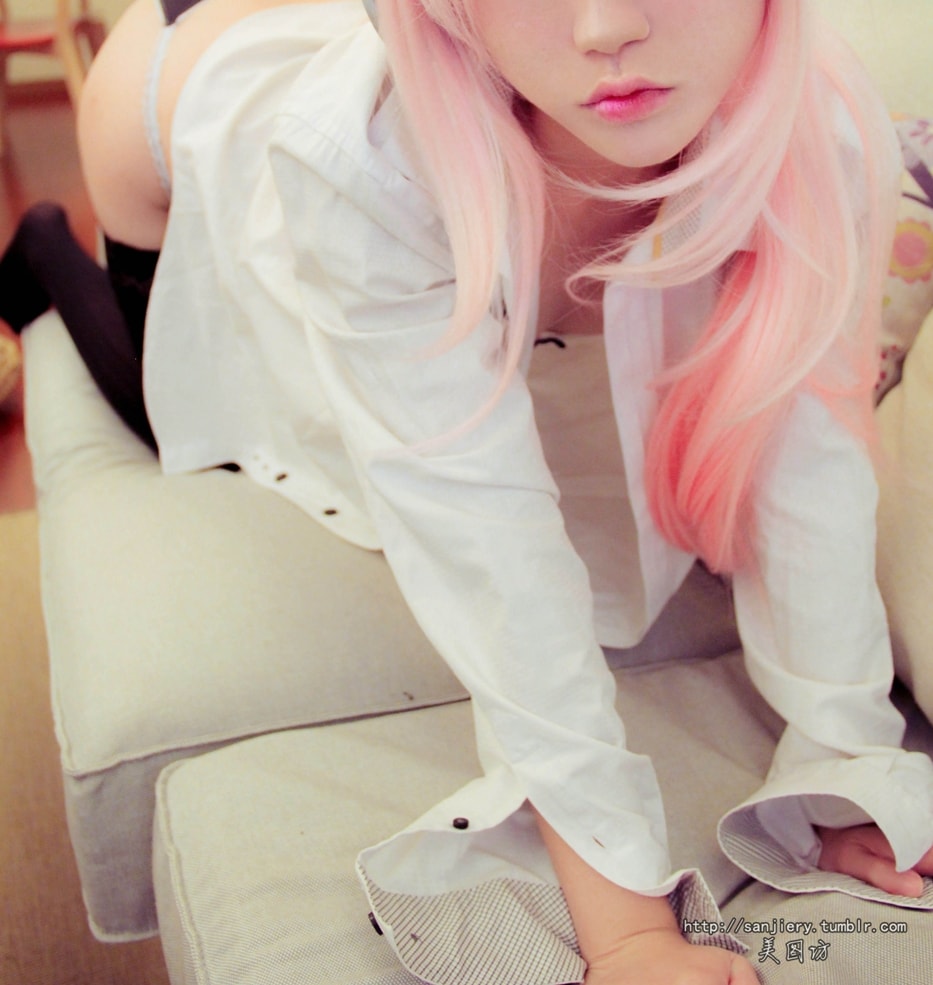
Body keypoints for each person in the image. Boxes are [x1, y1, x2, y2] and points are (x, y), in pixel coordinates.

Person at [7, 1, 933, 983]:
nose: (605, 29)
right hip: (171, 91)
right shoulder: (361, 159)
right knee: (169, 402)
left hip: (379, 42)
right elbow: (488, 549)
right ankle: (36, 257)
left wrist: (844, 767)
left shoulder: (817, 131)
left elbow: (809, 465)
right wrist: (625, 930)